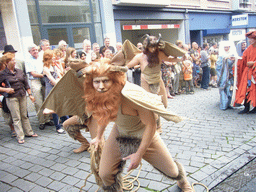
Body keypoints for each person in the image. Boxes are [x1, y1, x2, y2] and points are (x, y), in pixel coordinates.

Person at [85, 61, 193, 192]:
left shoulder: (132, 95)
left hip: (144, 135)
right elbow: (102, 116)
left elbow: (151, 125)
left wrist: (139, 153)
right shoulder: (99, 95)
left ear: (114, 80)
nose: (101, 86)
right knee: (105, 174)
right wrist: (98, 137)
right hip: (120, 133)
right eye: (96, 81)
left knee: (173, 172)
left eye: (105, 81)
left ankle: (183, 182)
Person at [127, 35, 184, 132]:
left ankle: (156, 125)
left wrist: (180, 59)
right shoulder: (140, 57)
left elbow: (169, 59)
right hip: (146, 82)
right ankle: (156, 127)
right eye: (151, 47)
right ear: (146, 46)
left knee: (164, 105)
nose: (153, 49)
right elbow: (128, 65)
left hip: (158, 80)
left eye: (155, 47)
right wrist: (116, 68)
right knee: (152, 106)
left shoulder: (160, 54)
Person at [0, 53, 38, 144]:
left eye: (14, 59)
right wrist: (6, 89)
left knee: (24, 115)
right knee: (16, 117)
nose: (15, 61)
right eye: (12, 60)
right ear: (7, 62)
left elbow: (26, 84)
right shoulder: (2, 74)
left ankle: (29, 132)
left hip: (22, 95)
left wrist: (30, 94)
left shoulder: (19, 71)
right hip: (12, 97)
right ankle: (20, 136)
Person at [25, 44, 53, 130]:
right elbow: (33, 73)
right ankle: (42, 121)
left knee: (46, 99)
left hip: (44, 79)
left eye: (36, 50)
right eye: (33, 50)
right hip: (35, 80)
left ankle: (48, 119)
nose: (35, 51)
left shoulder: (41, 57)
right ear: (29, 52)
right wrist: (44, 74)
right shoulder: (28, 60)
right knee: (38, 102)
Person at [43, 50, 68, 133]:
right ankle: (58, 127)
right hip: (51, 90)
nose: (54, 58)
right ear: (48, 58)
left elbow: (61, 76)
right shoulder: (45, 68)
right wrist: (58, 81)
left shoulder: (54, 66)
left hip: (57, 88)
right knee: (54, 109)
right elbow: (52, 80)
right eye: (52, 57)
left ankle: (67, 123)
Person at [235, 31, 256, 114]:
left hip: (254, 73)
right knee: (246, 89)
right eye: (249, 39)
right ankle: (246, 107)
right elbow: (243, 58)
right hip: (248, 73)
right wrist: (236, 59)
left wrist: (254, 63)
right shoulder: (249, 48)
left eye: (251, 39)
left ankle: (254, 107)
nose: (250, 40)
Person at [216, 41, 237, 110]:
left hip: (230, 75)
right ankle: (224, 105)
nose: (226, 48)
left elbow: (235, 64)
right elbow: (218, 66)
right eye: (225, 47)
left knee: (230, 89)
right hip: (223, 76)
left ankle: (230, 103)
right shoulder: (221, 56)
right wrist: (224, 60)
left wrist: (232, 59)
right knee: (223, 89)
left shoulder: (233, 55)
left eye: (227, 47)